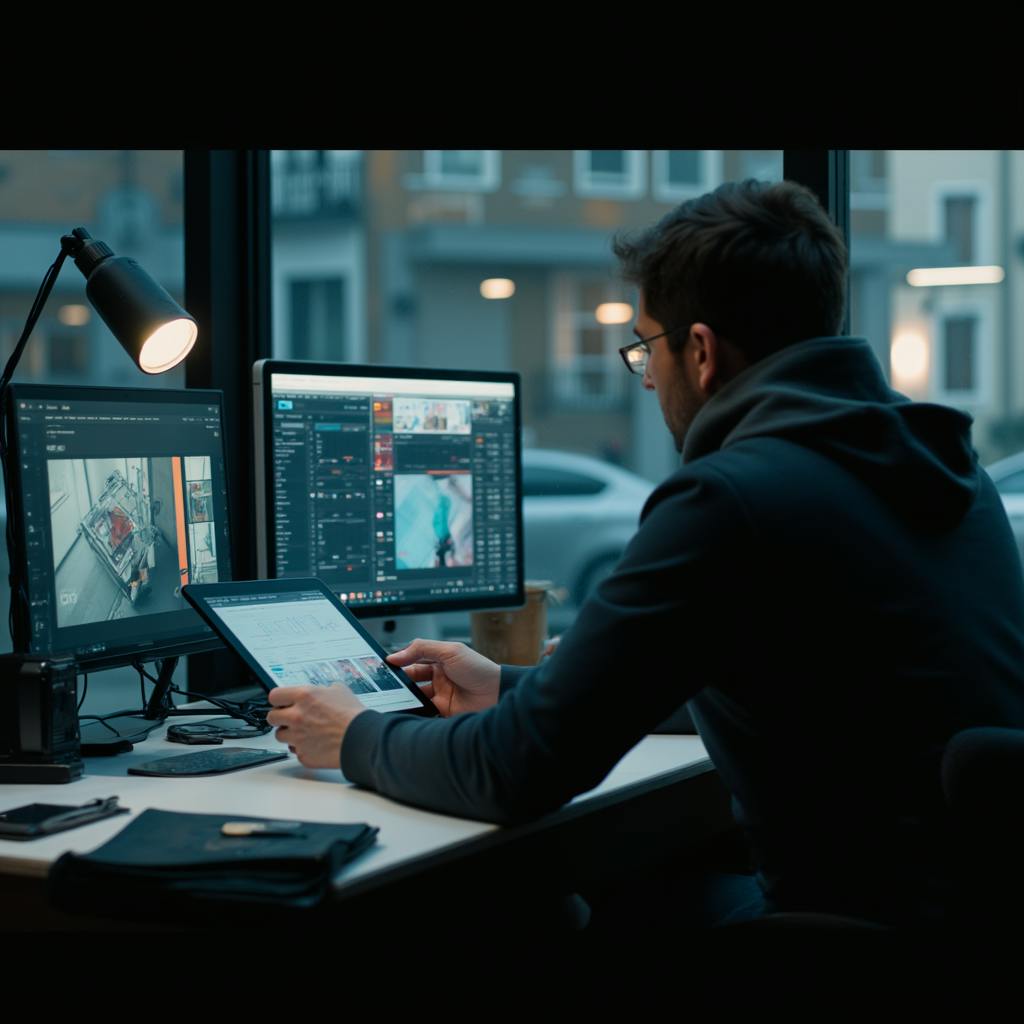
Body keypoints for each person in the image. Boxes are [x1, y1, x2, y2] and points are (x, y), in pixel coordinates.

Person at [267, 179, 1024, 930]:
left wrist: (355, 736)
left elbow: (517, 772)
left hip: (841, 926)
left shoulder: (732, 498)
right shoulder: (943, 468)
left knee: (522, 907)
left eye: (644, 347)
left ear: (700, 350)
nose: (648, 373)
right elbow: (816, 687)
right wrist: (513, 685)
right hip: (956, 914)